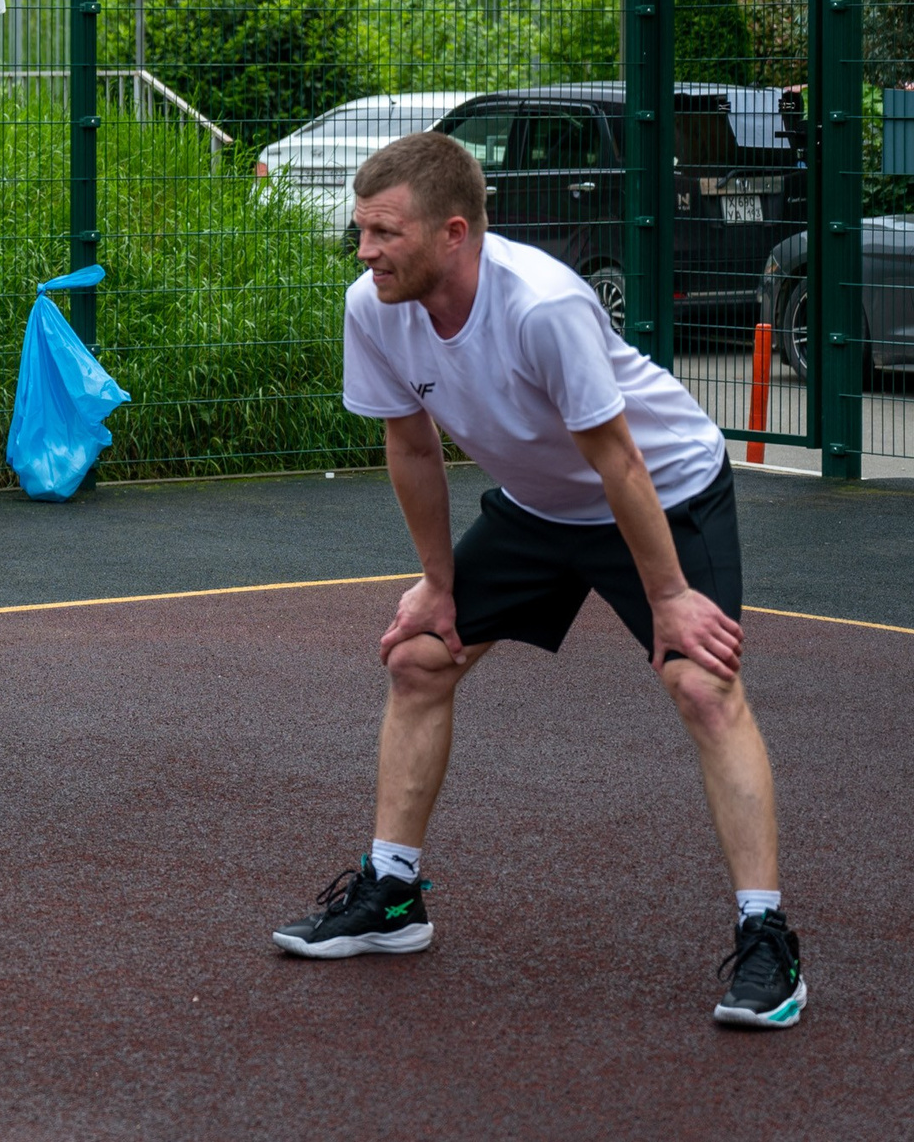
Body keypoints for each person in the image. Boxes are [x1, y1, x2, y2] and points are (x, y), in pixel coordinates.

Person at [269, 130, 804, 1030]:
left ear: (453, 232)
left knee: (703, 685)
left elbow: (620, 461)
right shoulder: (375, 305)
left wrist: (670, 598)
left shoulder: (542, 305)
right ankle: (393, 895)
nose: (364, 252)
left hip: (660, 489)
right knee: (419, 658)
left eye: (383, 232)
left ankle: (768, 940)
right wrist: (436, 584)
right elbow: (410, 443)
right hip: (538, 502)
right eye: (360, 231)